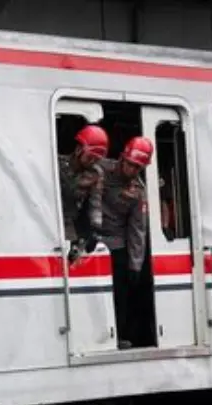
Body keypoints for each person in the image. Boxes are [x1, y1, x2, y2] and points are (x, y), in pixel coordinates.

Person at [99, 136, 153, 348]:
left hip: (116, 243)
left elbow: (137, 229)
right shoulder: (100, 168)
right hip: (89, 238)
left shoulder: (138, 191)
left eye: (137, 167)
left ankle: (119, 335)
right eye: (130, 164)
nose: (132, 170)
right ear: (122, 158)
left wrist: (135, 264)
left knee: (120, 293)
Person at [58, 125, 109, 264]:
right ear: (79, 149)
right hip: (52, 221)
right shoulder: (57, 165)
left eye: (97, 159)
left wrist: (96, 229)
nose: (93, 162)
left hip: (71, 226)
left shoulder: (95, 174)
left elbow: (96, 204)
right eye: (90, 157)